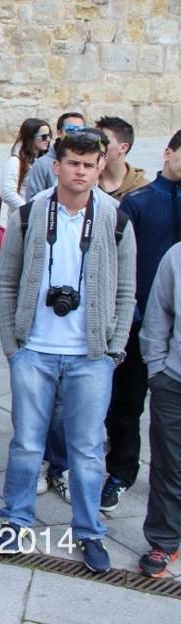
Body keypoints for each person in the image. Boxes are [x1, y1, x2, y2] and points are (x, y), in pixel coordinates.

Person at [0, 132, 136, 574]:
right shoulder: (31, 214)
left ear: (99, 168)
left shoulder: (115, 219)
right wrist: (12, 347)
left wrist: (113, 351)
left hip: (90, 354)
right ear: (56, 166)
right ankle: (15, 521)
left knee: (89, 450)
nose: (80, 171)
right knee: (25, 446)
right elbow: (6, 281)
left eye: (89, 164)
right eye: (72, 162)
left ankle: (89, 531)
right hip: (34, 350)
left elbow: (128, 289)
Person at [102, 129, 181, 514]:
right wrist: (128, 313)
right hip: (139, 320)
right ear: (168, 153)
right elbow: (120, 261)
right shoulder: (139, 202)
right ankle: (120, 471)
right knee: (127, 404)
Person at [137, 240, 181, 578]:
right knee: (168, 466)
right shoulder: (176, 256)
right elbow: (158, 313)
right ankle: (164, 540)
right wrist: (157, 369)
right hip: (174, 380)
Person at [23, 112, 85, 201]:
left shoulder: (88, 163)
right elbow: (32, 202)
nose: (76, 135)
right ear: (59, 133)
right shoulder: (42, 165)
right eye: (71, 130)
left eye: (81, 130)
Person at [0, 118, 51, 224]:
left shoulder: (47, 161)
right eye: (43, 136)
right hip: (23, 220)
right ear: (31, 137)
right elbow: (8, 193)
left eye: (49, 135)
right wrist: (29, 210)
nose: (48, 139)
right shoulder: (15, 161)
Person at [96, 116, 148, 201]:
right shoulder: (85, 181)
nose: (93, 145)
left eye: (102, 141)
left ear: (123, 148)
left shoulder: (144, 189)